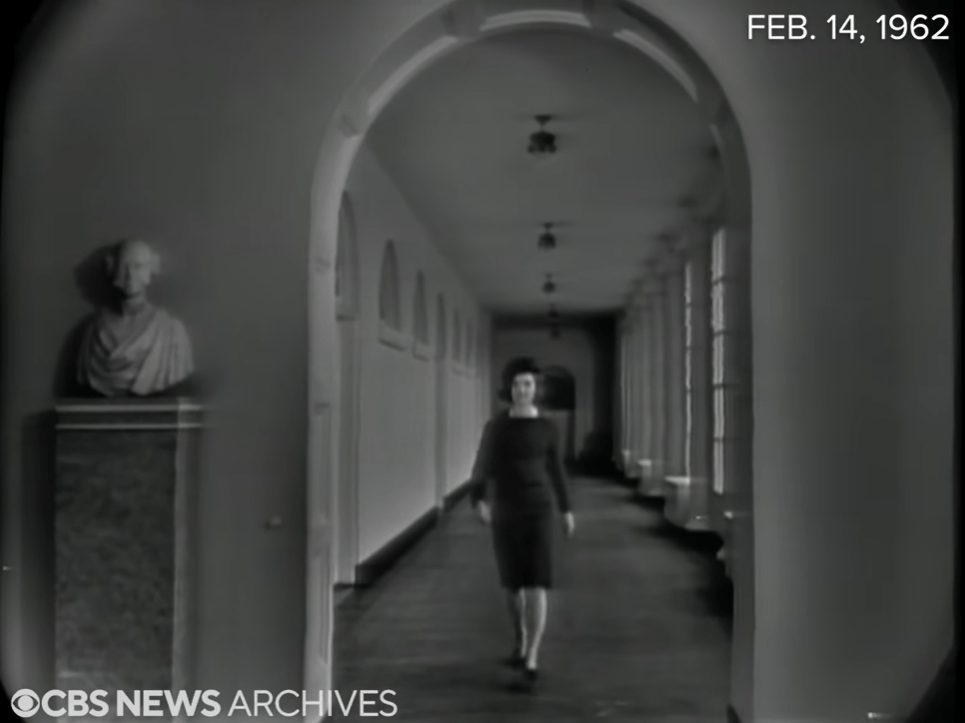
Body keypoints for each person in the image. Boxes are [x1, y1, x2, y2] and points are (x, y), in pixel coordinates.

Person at [469, 358, 575, 685]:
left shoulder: (547, 428)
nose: (522, 391)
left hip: (539, 509)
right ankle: (521, 637)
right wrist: (479, 502)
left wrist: (566, 509)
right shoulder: (496, 428)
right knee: (513, 585)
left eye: (528, 385)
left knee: (538, 582)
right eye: (517, 385)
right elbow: (481, 466)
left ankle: (532, 655)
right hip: (506, 509)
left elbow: (557, 470)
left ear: (536, 389)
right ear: (509, 389)